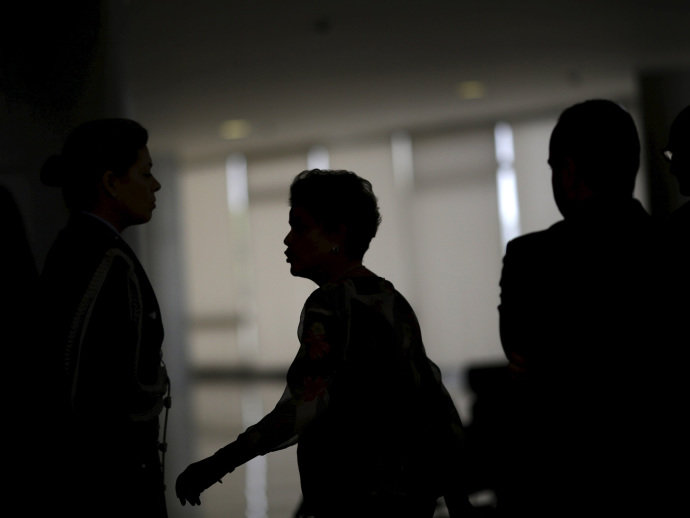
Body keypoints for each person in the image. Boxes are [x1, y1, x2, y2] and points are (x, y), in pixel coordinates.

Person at [176, 169, 470, 517]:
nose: (287, 240)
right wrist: (456, 494)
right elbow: (431, 395)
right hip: (409, 495)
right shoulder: (391, 298)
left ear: (337, 234)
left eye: (299, 227)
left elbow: (303, 404)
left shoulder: (329, 303)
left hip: (351, 494)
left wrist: (218, 463)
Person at [497, 99, 663, 514]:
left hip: (566, 479)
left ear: (568, 171)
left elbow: (522, 358)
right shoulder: (673, 247)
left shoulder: (530, 259)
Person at [36, 118, 169, 517]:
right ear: (111, 183)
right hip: (107, 483)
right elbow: (88, 392)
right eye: (145, 173)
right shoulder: (103, 259)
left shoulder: (82, 247)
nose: (155, 185)